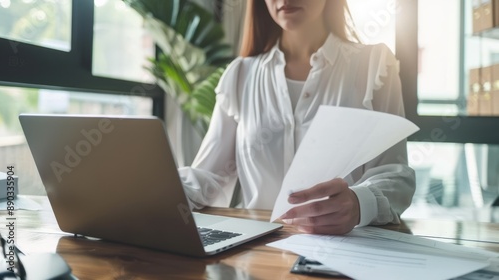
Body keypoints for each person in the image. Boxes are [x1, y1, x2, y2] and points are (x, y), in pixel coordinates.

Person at [178, 0, 415, 235]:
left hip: (343, 249)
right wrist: (159, 190)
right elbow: (209, 176)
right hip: (257, 251)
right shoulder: (240, 75)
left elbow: (394, 174)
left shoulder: (372, 66)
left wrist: (359, 203)